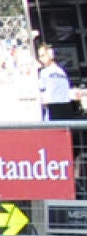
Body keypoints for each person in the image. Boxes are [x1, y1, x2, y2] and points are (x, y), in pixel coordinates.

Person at [37, 44, 87, 199]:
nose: (40, 59)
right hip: (65, 112)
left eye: (42, 55)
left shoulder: (45, 73)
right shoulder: (62, 72)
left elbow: (43, 96)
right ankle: (74, 181)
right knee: (72, 149)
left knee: (55, 151)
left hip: (54, 112)